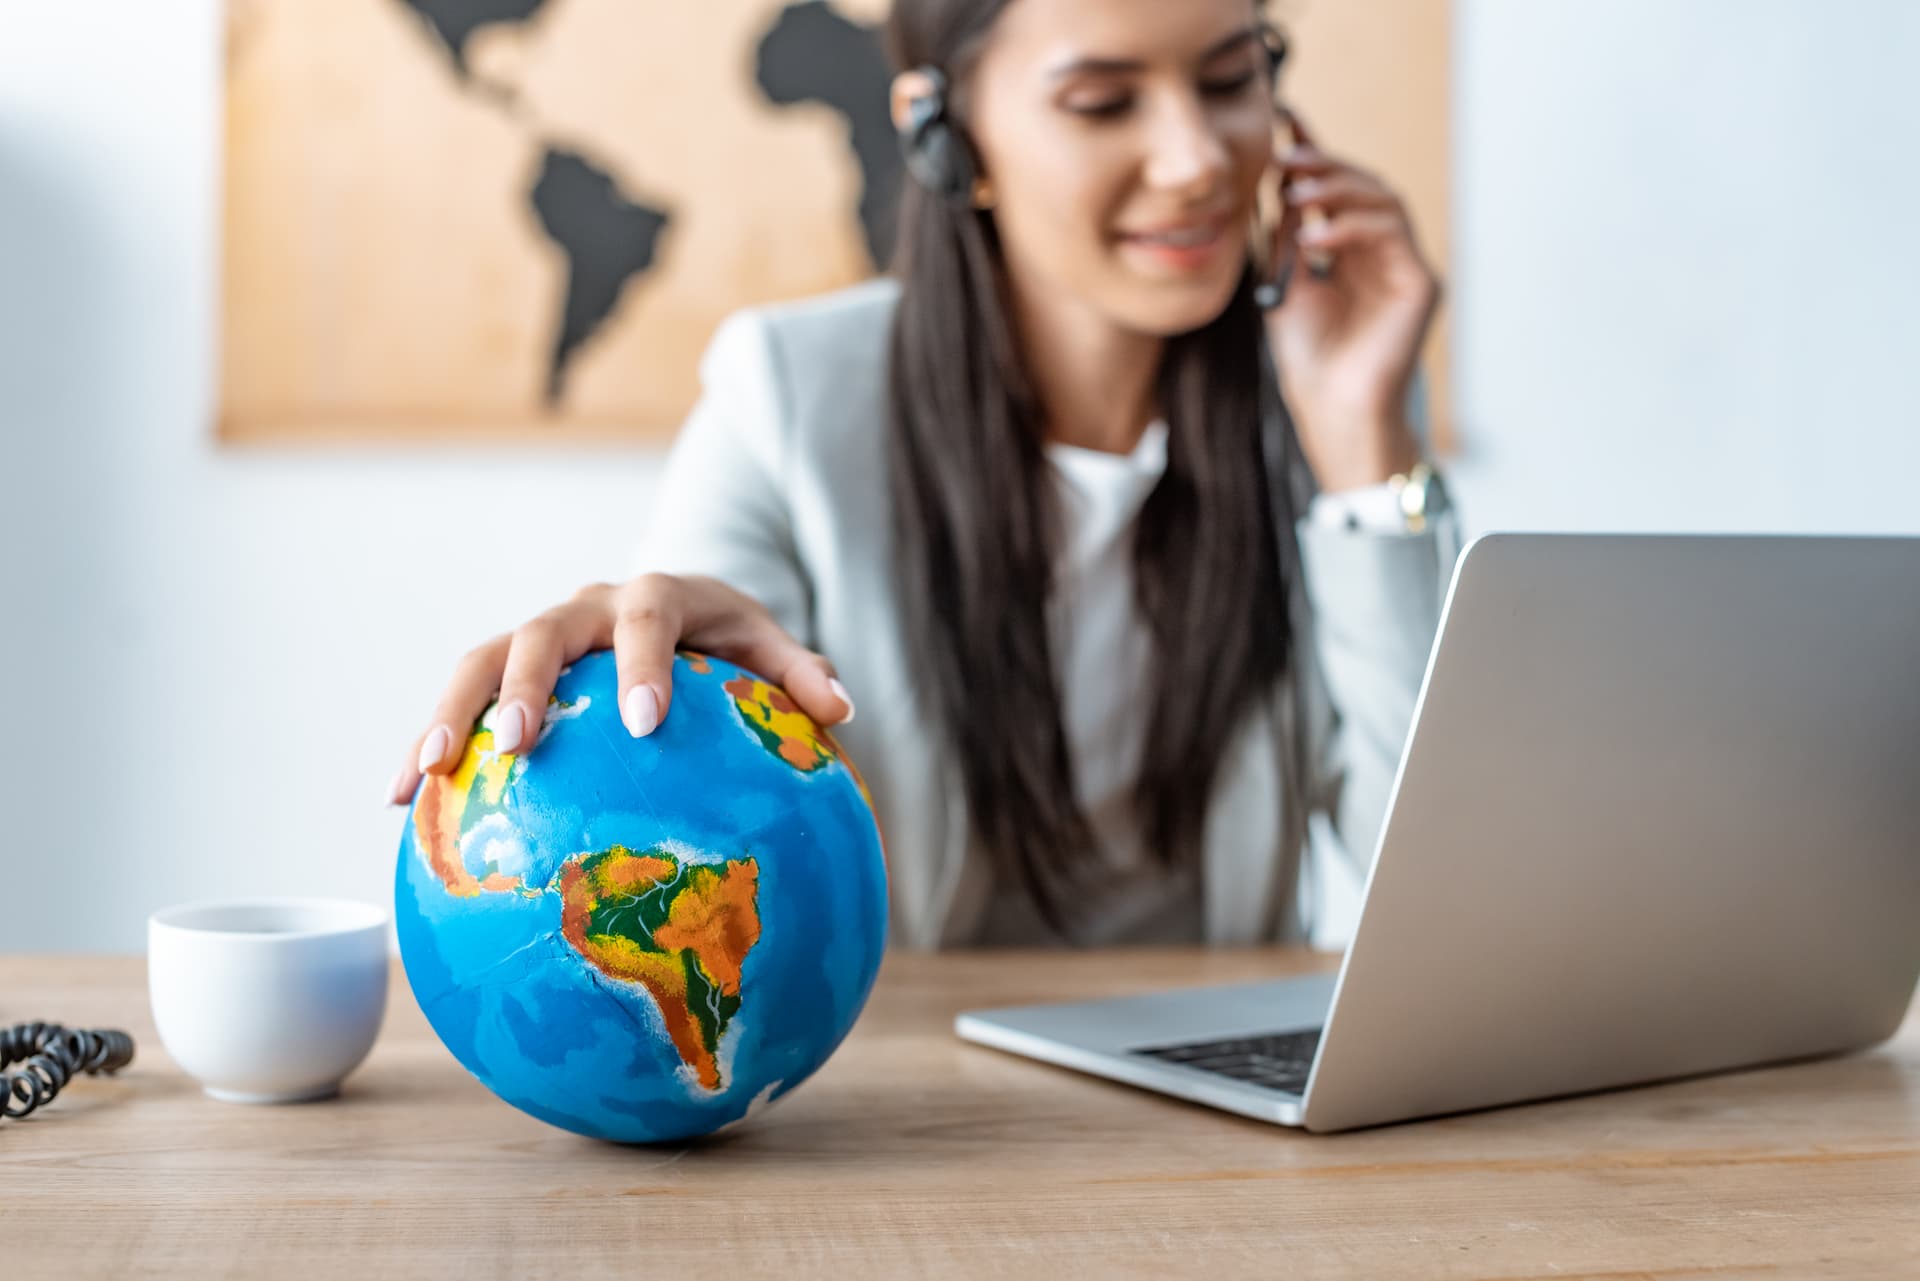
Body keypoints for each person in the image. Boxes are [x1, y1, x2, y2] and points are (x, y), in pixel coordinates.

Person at [387, 0, 1458, 952]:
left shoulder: (1323, 405)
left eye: (1231, 81)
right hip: (919, 1107)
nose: (1196, 160)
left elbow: (1436, 884)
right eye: (1101, 101)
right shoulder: (788, 395)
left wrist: (1367, 448)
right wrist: (674, 645)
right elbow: (689, 732)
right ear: (946, 133)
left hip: (1218, 1109)